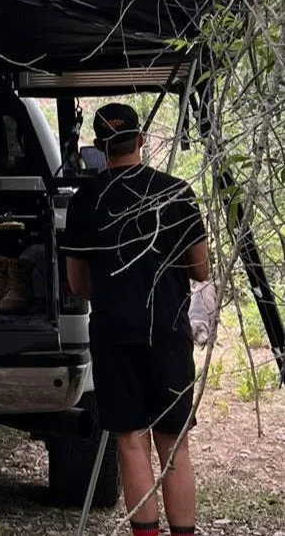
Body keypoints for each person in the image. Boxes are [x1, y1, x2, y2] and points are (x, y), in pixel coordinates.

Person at [62, 103, 210, 536]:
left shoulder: (86, 201)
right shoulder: (176, 192)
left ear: (98, 148)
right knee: (174, 443)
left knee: (131, 441)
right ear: (141, 140)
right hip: (168, 333)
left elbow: (77, 284)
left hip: (114, 333)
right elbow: (201, 270)